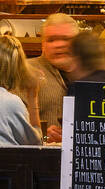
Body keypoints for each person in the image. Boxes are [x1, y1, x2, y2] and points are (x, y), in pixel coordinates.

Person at [27, 13, 76, 144]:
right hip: (41, 157)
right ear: (42, 44)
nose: (59, 45)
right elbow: (14, 132)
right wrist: (44, 137)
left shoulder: (92, 75)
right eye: (51, 40)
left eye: (66, 39)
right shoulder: (26, 72)